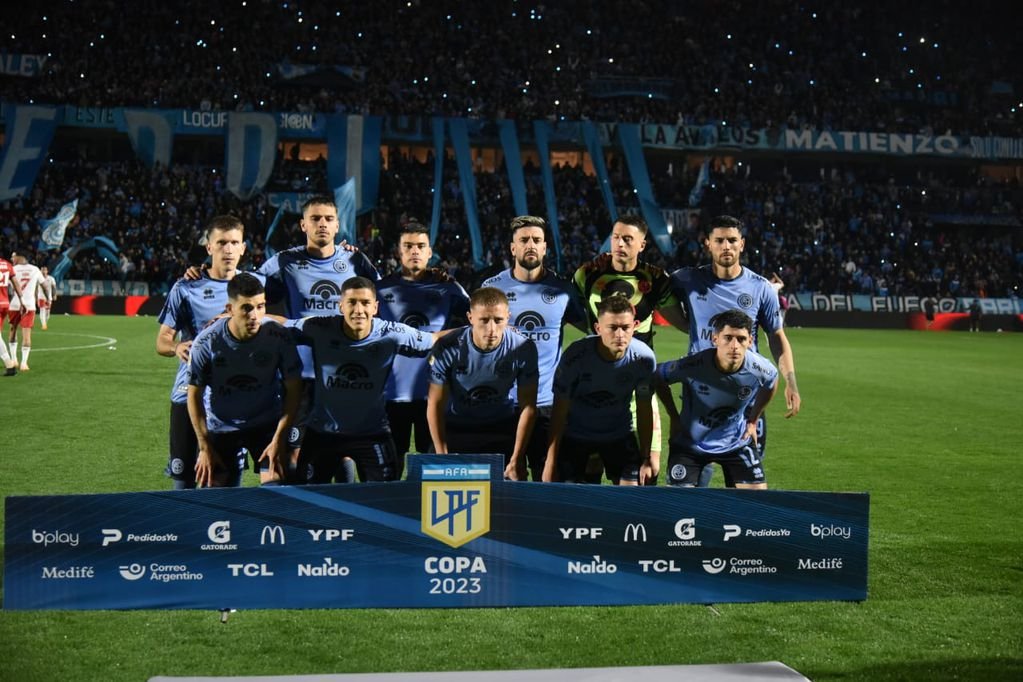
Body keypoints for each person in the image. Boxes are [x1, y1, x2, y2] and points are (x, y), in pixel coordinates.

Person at [669, 215, 801, 487]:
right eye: (719, 240)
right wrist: (688, 326)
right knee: (694, 485)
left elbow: (777, 337)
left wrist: (791, 381)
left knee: (747, 490)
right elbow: (658, 299)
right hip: (700, 398)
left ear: (742, 244)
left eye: (732, 240)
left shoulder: (760, 288)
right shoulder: (687, 279)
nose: (726, 246)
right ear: (707, 243)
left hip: (745, 401)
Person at [572, 213, 688, 484]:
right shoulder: (586, 274)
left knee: (647, 471)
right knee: (589, 469)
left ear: (642, 245)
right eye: (615, 237)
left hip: (639, 384)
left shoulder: (656, 279)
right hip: (594, 382)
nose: (619, 244)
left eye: (627, 239)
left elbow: (681, 322)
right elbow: (572, 316)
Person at [288, 276, 437, 483]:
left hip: (372, 434)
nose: (359, 310)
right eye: (352, 303)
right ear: (341, 306)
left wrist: (477, 330)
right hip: (323, 432)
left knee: (383, 502)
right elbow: (281, 325)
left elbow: (435, 339)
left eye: (365, 303)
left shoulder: (391, 333)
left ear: (375, 307)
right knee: (307, 500)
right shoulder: (319, 328)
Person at [482, 215, 588, 481]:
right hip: (504, 403)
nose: (531, 245)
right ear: (512, 247)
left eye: (537, 240)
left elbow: (594, 328)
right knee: (504, 483)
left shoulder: (563, 290)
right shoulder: (492, 288)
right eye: (524, 240)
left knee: (549, 481)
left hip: (547, 403)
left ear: (545, 248)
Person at [157, 215, 255, 489]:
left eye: (234, 242)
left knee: (227, 484)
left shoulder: (254, 285)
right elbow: (161, 341)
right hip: (187, 396)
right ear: (209, 247)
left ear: (243, 248)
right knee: (183, 485)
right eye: (221, 242)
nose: (228, 249)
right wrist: (177, 346)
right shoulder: (186, 287)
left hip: (233, 399)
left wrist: (348, 251)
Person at [187, 273, 303, 487]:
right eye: (247, 308)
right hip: (221, 426)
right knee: (214, 489)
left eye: (261, 306)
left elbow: (294, 389)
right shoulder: (207, 342)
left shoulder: (278, 337)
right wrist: (204, 447)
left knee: (278, 485)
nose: (255, 315)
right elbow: (193, 395)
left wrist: (279, 438)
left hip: (266, 424)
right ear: (229, 309)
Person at [377, 221, 470, 475]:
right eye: (408, 246)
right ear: (399, 251)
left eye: (420, 246)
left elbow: (476, 323)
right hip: (390, 395)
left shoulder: (449, 288)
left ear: (430, 252)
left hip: (435, 394)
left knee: (434, 472)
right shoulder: (380, 289)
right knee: (388, 473)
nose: (414, 251)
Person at [653, 309, 778, 489]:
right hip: (690, 443)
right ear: (715, 339)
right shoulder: (692, 365)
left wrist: (753, 420)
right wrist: (673, 415)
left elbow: (772, 382)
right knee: (678, 505)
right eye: (728, 338)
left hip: (736, 441)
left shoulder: (760, 368)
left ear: (750, 342)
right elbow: (657, 375)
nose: (734, 345)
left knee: (757, 501)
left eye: (741, 339)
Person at [427, 287, 539, 480]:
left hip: (500, 425)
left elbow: (528, 407)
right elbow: (435, 404)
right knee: (433, 485)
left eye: (498, 320)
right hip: (457, 425)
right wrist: (441, 455)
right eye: (484, 320)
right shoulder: (447, 346)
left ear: (508, 317)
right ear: (470, 317)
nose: (492, 329)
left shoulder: (523, 347)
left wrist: (517, 458)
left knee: (508, 493)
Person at [543, 295, 656, 486]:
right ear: (598, 328)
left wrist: (646, 457)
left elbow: (645, 410)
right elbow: (559, 411)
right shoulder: (575, 357)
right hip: (577, 435)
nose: (620, 335)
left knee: (632, 496)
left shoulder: (643, 359)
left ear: (635, 326)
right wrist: (550, 460)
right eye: (612, 328)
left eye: (625, 328)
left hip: (619, 435)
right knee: (569, 498)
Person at [7, 252, 47, 372]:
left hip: (14, 304)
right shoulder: (35, 269)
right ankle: (24, 363)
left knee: (13, 330)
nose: (12, 258)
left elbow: (7, 287)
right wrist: (49, 298)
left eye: (13, 256)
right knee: (27, 334)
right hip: (29, 306)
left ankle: (14, 360)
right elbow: (44, 285)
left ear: (20, 256)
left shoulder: (12, 269)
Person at [0, 254, 26, 376]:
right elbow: (15, 282)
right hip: (4, 303)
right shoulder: (7, 265)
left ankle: (10, 365)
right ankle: (9, 365)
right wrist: (22, 300)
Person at [37, 266, 57, 331]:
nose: (43, 271)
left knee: (47, 313)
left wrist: (54, 295)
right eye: (42, 270)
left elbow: (54, 287)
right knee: (42, 310)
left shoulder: (51, 278)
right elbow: (35, 288)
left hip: (49, 298)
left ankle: (45, 323)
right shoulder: (38, 279)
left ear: (47, 271)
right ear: (40, 271)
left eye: (45, 270)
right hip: (41, 297)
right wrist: (35, 296)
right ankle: (43, 325)